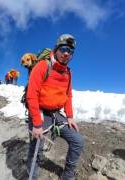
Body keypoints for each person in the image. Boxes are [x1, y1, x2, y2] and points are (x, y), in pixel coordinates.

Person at [26, 34, 84, 180]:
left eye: (70, 51)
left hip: (56, 113)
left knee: (77, 141)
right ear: (56, 49)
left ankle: (68, 176)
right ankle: (31, 173)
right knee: (36, 147)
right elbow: (32, 95)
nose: (66, 53)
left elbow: (68, 95)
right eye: (64, 49)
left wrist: (70, 116)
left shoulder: (67, 73)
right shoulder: (42, 66)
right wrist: (37, 125)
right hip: (40, 111)